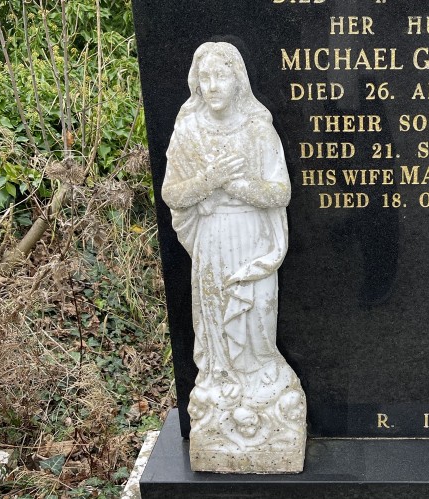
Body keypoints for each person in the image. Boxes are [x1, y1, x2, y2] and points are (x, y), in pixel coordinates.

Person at [162, 42, 305, 472]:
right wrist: (210, 179)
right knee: (215, 318)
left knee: (256, 315)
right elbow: (172, 193)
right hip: (212, 242)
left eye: (221, 76)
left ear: (237, 80)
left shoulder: (258, 129)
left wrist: (237, 185)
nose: (213, 86)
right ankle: (221, 385)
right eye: (205, 78)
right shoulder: (188, 130)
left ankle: (260, 384)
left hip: (253, 240)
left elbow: (280, 192)